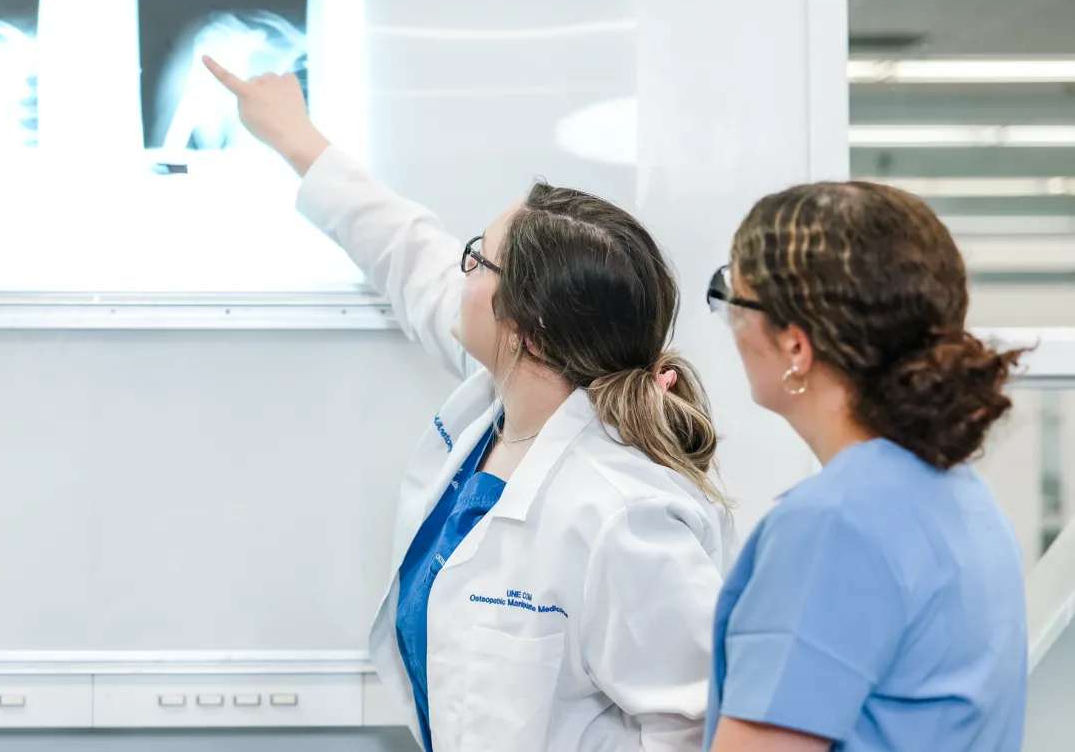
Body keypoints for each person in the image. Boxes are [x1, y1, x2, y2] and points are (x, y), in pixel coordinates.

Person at [205, 59, 734, 751]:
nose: (459, 272)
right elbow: (406, 250)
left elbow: (699, 728)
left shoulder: (623, 516)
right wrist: (296, 136)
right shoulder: (502, 400)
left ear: (530, 329)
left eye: (478, 262)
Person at [703, 182, 1028, 751]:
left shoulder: (833, 526)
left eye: (734, 298)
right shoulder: (959, 493)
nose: (730, 322)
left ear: (796, 347)